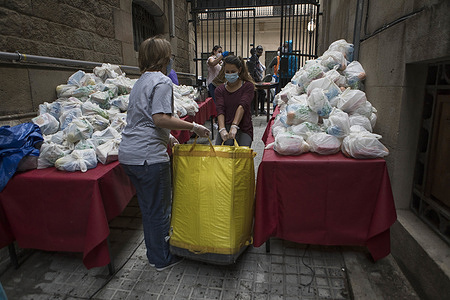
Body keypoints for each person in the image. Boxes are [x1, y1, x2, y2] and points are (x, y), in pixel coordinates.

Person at [118, 36, 210, 271]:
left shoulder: (139, 83)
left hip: (130, 155)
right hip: (149, 158)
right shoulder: (162, 81)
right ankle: (161, 258)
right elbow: (159, 118)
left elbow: (142, 119)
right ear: (164, 58)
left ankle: (154, 254)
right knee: (158, 211)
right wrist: (193, 127)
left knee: (149, 210)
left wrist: (168, 138)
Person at [215, 55, 255, 147]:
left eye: (233, 71)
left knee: (242, 155)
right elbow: (220, 109)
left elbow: (242, 106)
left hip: (243, 127)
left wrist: (234, 125)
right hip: (225, 126)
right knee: (221, 157)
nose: (230, 74)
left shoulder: (247, 87)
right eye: (227, 72)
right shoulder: (220, 90)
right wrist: (221, 129)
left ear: (239, 70)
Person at [247, 45, 266, 114]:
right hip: (255, 80)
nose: (260, 52)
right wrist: (258, 80)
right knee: (261, 93)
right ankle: (259, 110)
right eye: (259, 50)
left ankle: (257, 109)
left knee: (259, 94)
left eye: (261, 50)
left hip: (257, 80)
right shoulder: (253, 59)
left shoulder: (256, 59)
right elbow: (253, 71)